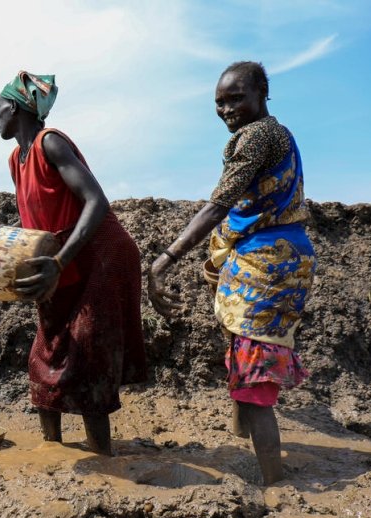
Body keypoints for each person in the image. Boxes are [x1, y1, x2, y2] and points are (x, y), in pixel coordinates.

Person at [147, 62, 315, 485]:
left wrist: (165, 259)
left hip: (267, 263)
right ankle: (246, 439)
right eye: (219, 103)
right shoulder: (275, 136)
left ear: (262, 92)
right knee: (244, 352)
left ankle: (275, 483)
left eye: (235, 98)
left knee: (255, 378)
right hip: (271, 258)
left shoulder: (259, 137)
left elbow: (219, 203)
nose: (226, 110)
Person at [0, 71, 147, 455]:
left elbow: (96, 202)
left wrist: (59, 262)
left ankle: (102, 457)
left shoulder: (51, 143)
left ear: (13, 107)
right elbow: (37, 219)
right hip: (60, 258)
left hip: (99, 257)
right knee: (46, 353)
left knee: (87, 355)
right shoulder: (17, 158)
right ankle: (55, 452)